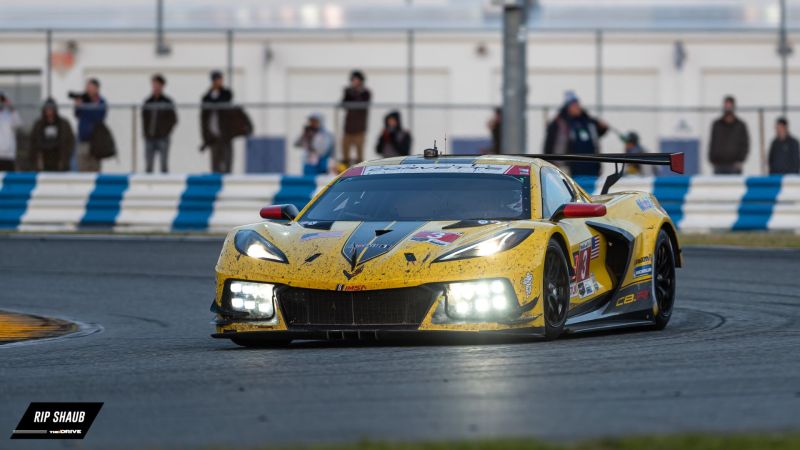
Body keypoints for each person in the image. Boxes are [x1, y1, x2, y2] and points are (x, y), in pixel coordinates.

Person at [543, 91, 608, 177]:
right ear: (567, 107)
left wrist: (603, 127)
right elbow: (550, 145)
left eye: (577, 104)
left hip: (591, 169)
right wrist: (551, 163)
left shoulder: (588, 121)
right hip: (569, 170)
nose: (577, 107)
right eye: (573, 105)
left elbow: (599, 132)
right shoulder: (560, 124)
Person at [142, 74, 178, 173]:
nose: (155, 87)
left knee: (164, 165)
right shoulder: (148, 101)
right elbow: (144, 119)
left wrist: (165, 132)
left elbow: (173, 119)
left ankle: (165, 186)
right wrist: (146, 133)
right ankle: (148, 186)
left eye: (157, 84)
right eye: (153, 84)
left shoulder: (167, 102)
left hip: (163, 138)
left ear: (162, 86)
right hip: (150, 137)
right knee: (149, 166)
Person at [200, 70, 234, 173]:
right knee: (215, 162)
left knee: (227, 161)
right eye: (217, 79)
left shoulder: (226, 93)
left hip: (225, 134)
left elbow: (224, 100)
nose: (220, 82)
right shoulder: (208, 95)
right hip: (213, 135)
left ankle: (228, 181)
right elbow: (206, 104)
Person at [30, 98, 75, 171]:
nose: (49, 111)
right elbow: (33, 141)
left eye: (51, 108)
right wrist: (35, 159)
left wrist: (66, 157)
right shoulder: (38, 124)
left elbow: (70, 141)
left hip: (59, 160)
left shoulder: (64, 124)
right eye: (47, 108)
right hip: (44, 159)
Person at [709, 95, 749, 175]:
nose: (727, 107)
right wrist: (712, 160)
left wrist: (740, 160)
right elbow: (712, 143)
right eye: (726, 105)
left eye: (729, 105)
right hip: (719, 166)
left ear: (733, 106)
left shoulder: (740, 125)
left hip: (734, 166)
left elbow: (745, 144)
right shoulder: (717, 124)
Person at [73, 78, 107, 172]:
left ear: (97, 89)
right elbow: (77, 114)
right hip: (83, 140)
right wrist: (78, 105)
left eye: (91, 87)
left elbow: (99, 118)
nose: (88, 90)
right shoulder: (83, 100)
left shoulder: (101, 102)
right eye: (87, 87)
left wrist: (92, 106)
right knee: (82, 167)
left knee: (95, 168)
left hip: (95, 142)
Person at [340, 70, 371, 166]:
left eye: (357, 80)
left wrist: (355, 93)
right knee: (345, 155)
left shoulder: (365, 92)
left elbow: (363, 104)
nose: (355, 82)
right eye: (353, 80)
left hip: (359, 130)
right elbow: (344, 104)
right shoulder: (348, 92)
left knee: (359, 157)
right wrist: (350, 92)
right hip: (348, 129)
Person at [0, 92, 22, 171]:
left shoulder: (10, 115)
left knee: (8, 181)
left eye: (1, 100)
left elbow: (18, 124)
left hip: (8, 155)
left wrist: (11, 108)